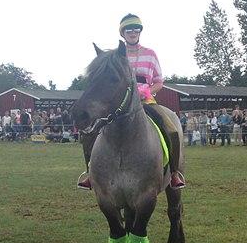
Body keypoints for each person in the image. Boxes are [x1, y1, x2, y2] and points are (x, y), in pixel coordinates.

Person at [77, 14, 186, 189]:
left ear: (140, 31)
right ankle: (90, 173)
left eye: (136, 28)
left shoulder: (150, 54)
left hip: (145, 102)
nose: (133, 32)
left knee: (171, 128)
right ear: (123, 33)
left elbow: (159, 81)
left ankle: (174, 173)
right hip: (119, 104)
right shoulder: (114, 56)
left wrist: (147, 91)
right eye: (129, 29)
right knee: (91, 131)